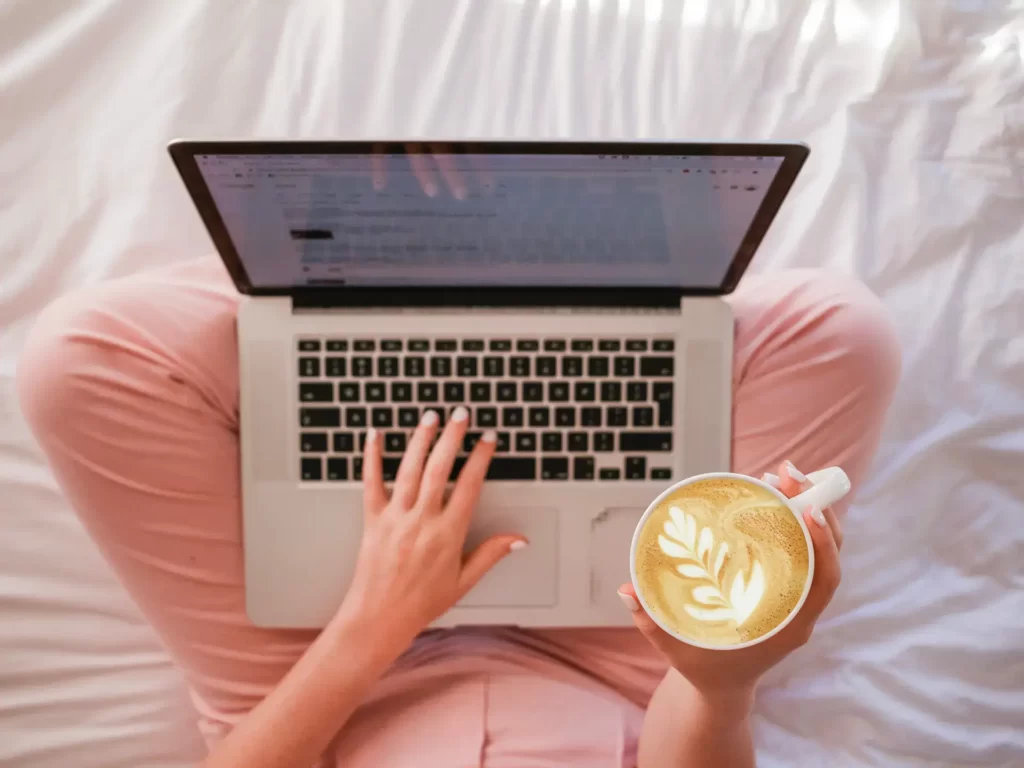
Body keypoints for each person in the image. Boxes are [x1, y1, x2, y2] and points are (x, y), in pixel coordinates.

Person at [16, 258, 900, 767]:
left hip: (332, 688)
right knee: (841, 331)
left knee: (81, 359)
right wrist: (720, 682)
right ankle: (540, 272)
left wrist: (375, 621)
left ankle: (370, 271)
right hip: (634, 677)